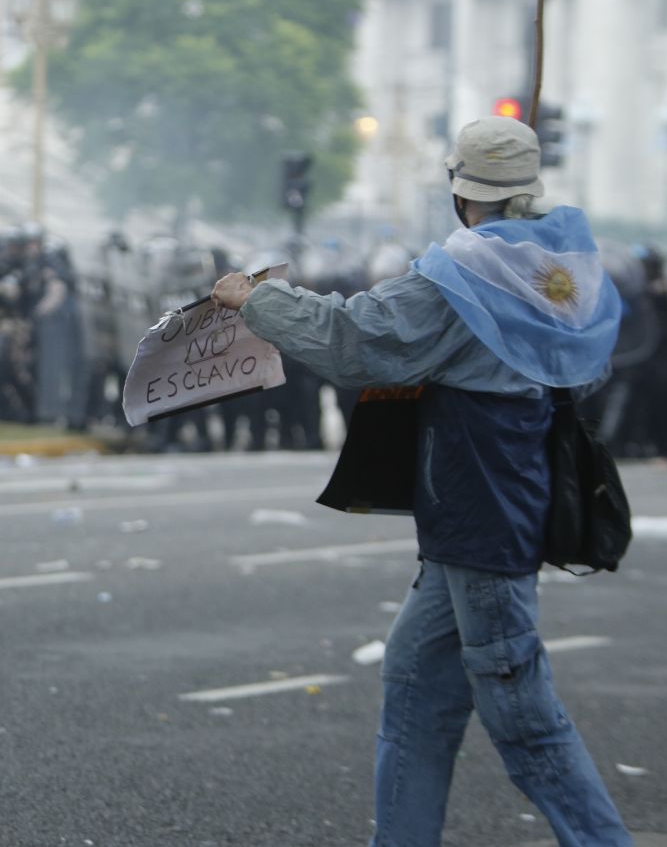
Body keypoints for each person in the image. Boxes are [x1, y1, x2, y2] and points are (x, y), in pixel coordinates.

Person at [210, 117, 631, 847]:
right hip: (500, 502)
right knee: (413, 683)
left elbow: (357, 342)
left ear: (459, 190)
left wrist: (254, 299)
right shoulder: (563, 262)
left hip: (482, 515)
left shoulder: (471, 270)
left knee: (527, 724)